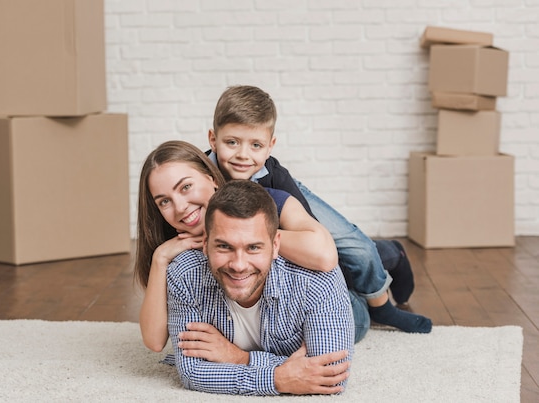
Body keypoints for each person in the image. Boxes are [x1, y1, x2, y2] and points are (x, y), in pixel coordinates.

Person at [207, 85, 429, 332]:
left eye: (255, 146)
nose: (242, 155)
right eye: (232, 142)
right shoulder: (199, 178)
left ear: (270, 146)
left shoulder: (276, 178)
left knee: (359, 249)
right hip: (270, 242)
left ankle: (383, 292)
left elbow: (316, 244)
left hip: (288, 203)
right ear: (213, 140)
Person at [135, 140, 369, 353]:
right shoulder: (174, 248)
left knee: (361, 296)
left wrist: (244, 235)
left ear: (211, 179)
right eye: (164, 201)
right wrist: (160, 259)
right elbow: (154, 342)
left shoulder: (263, 201)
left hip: (334, 303)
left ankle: (385, 261)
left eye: (186, 187)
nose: (180, 207)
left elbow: (325, 256)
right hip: (257, 325)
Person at [168, 179, 354, 395]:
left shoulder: (318, 281)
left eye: (253, 247)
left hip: (350, 306)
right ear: (205, 243)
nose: (238, 265)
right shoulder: (184, 274)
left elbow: (329, 377)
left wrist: (238, 357)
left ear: (275, 245)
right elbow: (191, 373)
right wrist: (279, 378)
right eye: (224, 246)